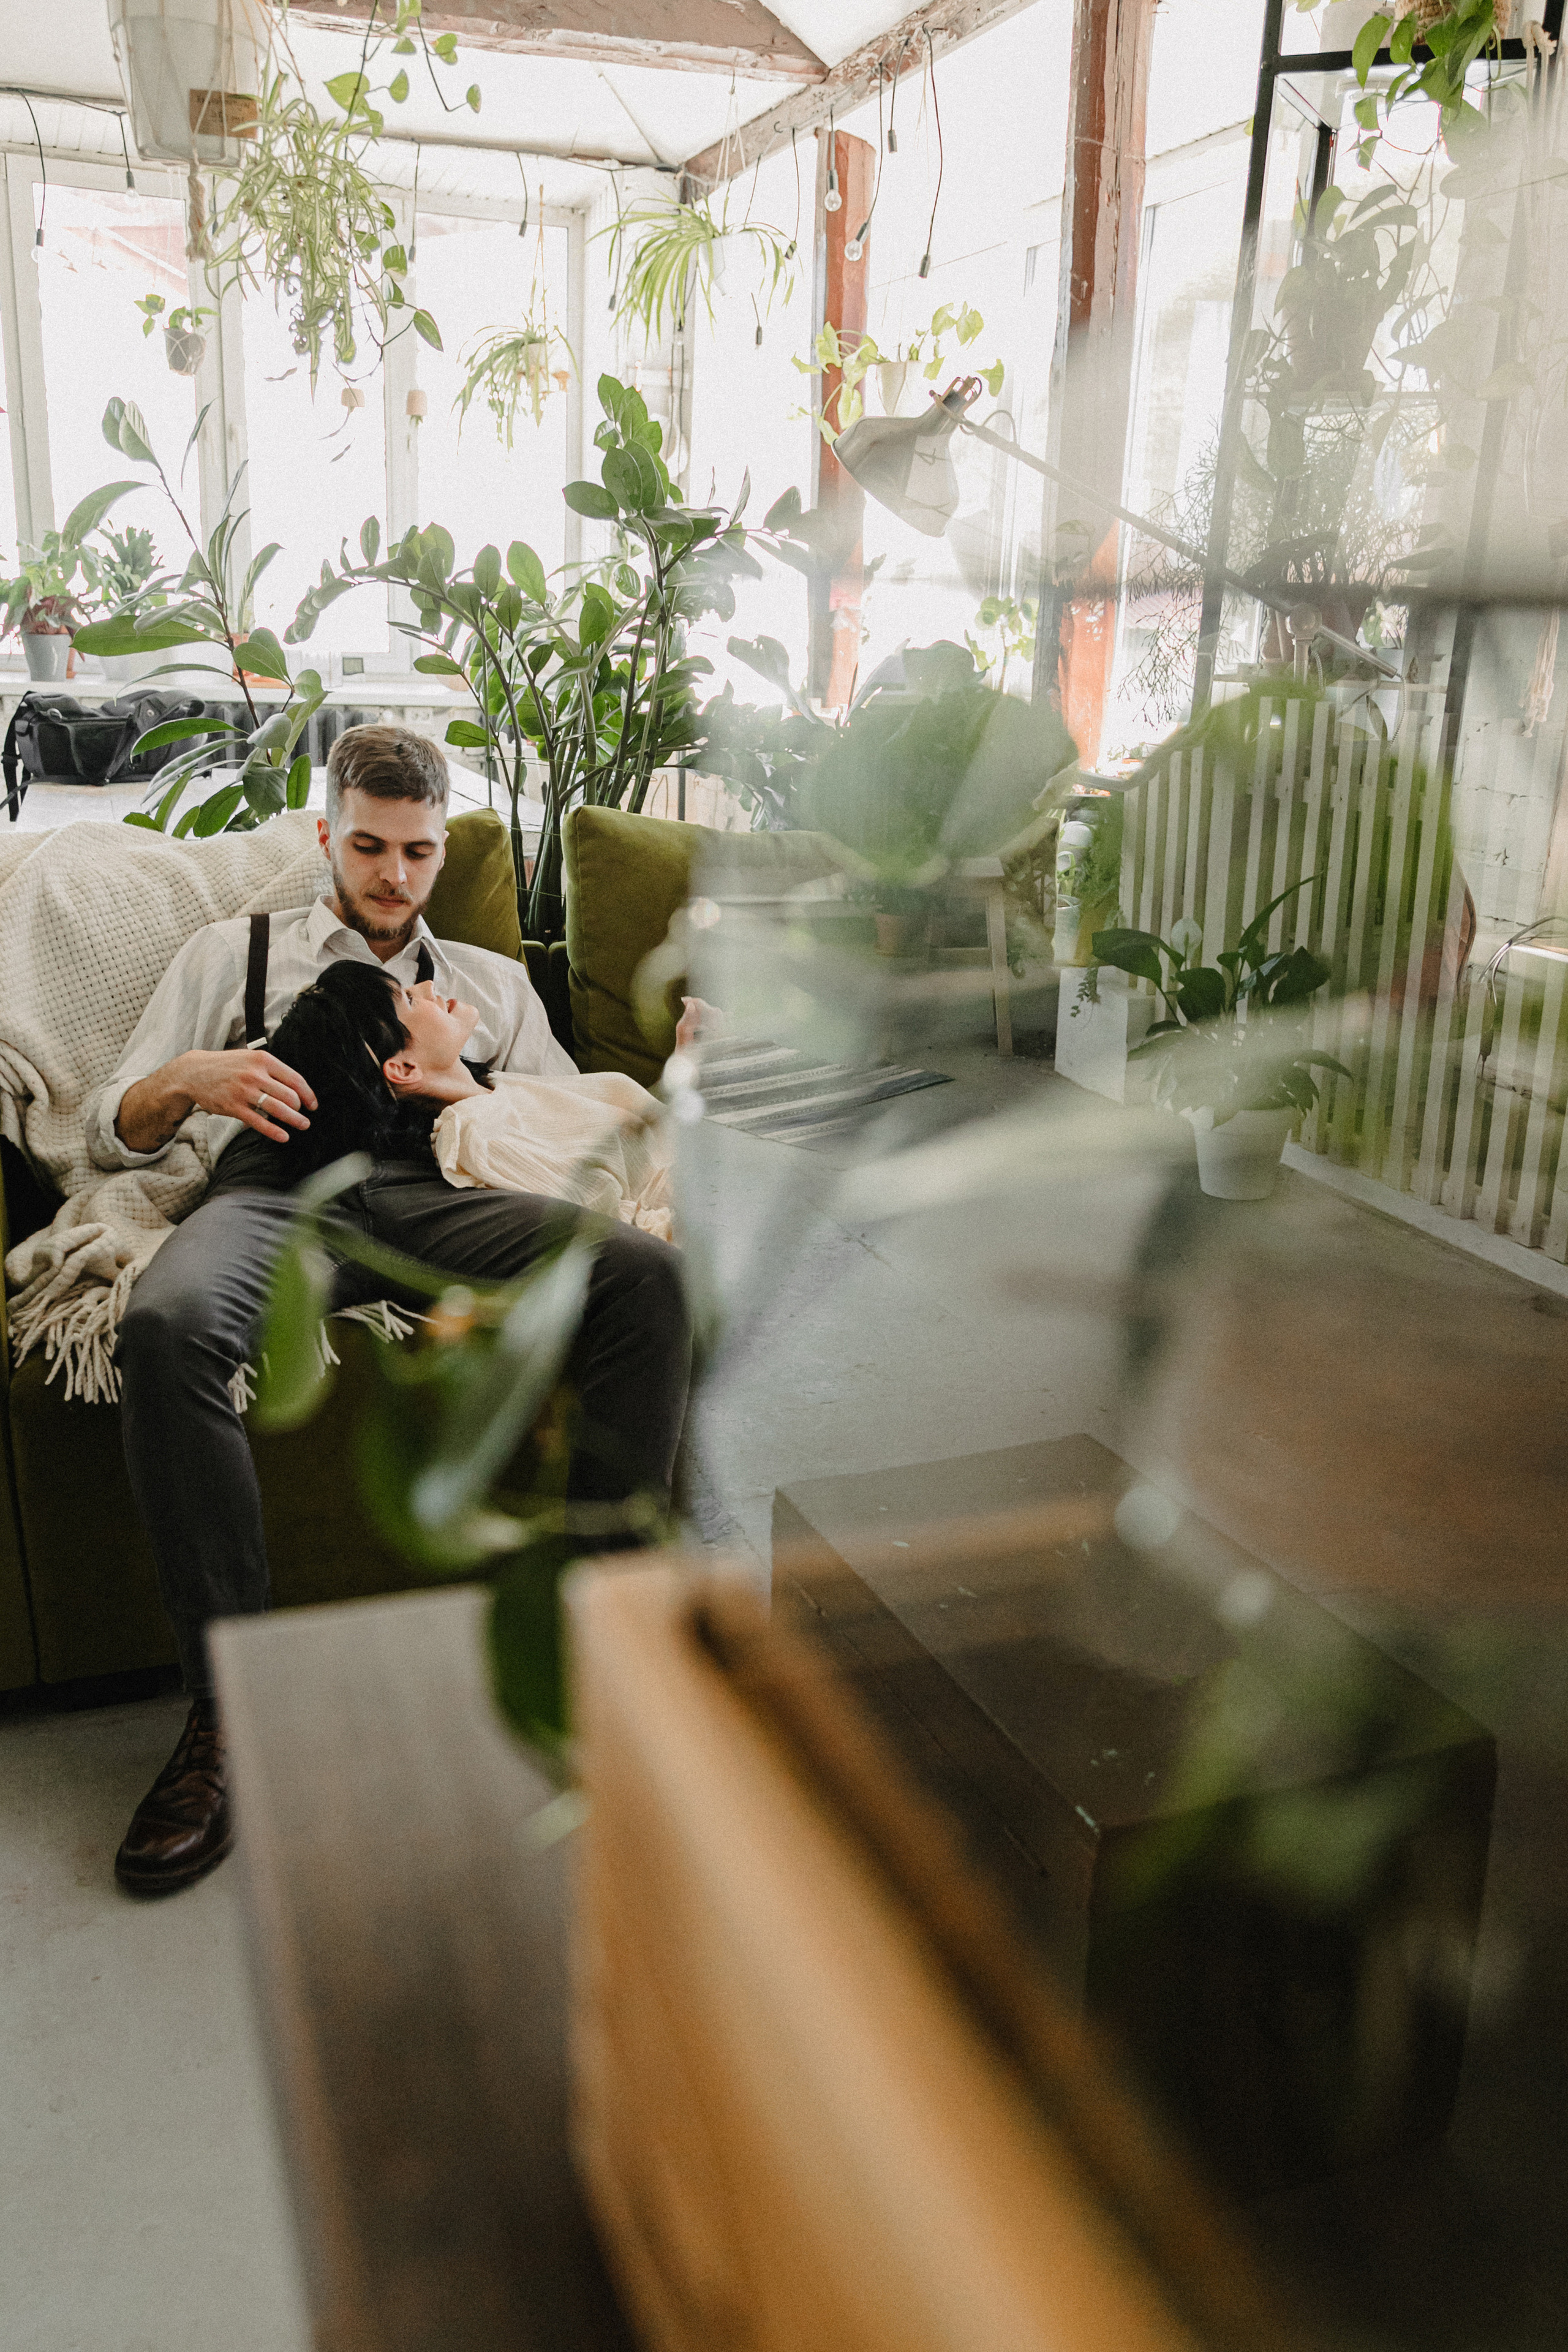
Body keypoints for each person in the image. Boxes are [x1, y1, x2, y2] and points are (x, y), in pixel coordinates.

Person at [89, 725, 690, 1898]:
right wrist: (194, 1080)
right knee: (165, 1325)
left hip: (438, 1196)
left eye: (417, 852)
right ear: (328, 835)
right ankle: (224, 1717)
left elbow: (580, 1144)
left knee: (643, 1275)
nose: (393, 876)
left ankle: (609, 1659)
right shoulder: (232, 953)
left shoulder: (493, 985)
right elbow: (117, 1118)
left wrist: (468, 1083)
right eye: (368, 847)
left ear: (441, 849)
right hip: (272, 1192)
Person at [243, 957, 682, 1240]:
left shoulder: (498, 1089)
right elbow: (622, 1235)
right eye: (411, 999)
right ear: (403, 1068)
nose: (430, 986)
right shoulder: (477, 1141)